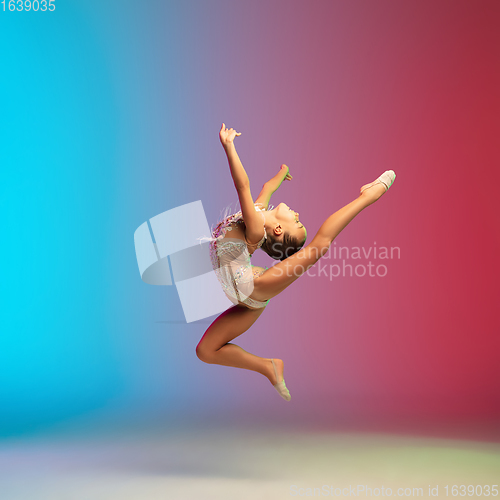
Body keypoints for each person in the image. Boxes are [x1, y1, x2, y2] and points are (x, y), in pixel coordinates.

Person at [196, 123, 395, 401]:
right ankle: (269, 366)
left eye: (297, 221)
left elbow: (243, 185)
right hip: (243, 299)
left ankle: (368, 196)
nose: (298, 213)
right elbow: (267, 187)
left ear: (278, 230)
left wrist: (229, 146)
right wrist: (283, 172)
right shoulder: (260, 211)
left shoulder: (254, 228)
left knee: (318, 248)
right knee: (205, 351)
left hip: (254, 289)